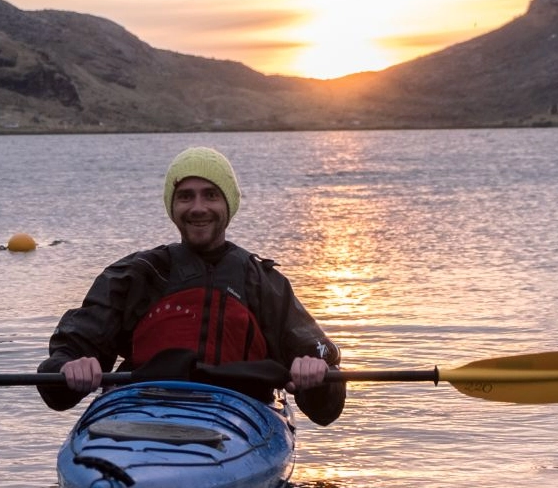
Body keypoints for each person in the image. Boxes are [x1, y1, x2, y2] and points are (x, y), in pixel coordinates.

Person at [37, 146, 345, 425]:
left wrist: (315, 370)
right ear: (173, 207)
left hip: (240, 417)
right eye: (186, 196)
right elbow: (62, 380)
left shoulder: (264, 283)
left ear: (229, 203)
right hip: (139, 412)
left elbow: (326, 409)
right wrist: (69, 366)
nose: (198, 207)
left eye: (210, 194)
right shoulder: (135, 275)